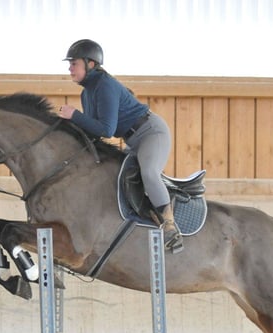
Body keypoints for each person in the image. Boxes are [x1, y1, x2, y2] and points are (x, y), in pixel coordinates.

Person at [57, 39, 183, 253]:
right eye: (69, 64)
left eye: (74, 63)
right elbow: (93, 132)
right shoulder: (87, 92)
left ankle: (170, 226)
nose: (70, 68)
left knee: (149, 173)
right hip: (133, 140)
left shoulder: (105, 85)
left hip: (152, 133)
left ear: (91, 64)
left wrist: (75, 115)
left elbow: (106, 130)